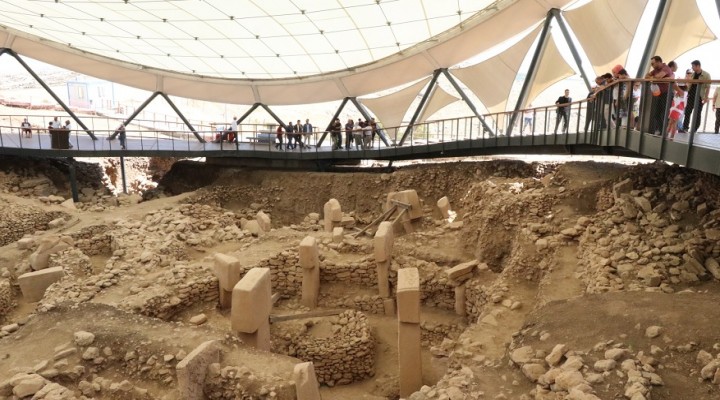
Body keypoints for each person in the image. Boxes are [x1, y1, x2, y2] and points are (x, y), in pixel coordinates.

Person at [645, 56, 674, 135]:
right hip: (660, 94)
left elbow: (659, 76)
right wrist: (654, 77)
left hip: (667, 94)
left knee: (664, 113)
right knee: (657, 114)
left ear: (658, 62)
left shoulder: (666, 68)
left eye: (653, 63)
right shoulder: (655, 70)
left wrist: (654, 78)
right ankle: (662, 131)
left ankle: (665, 132)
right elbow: (646, 76)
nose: (652, 65)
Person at [682, 60, 712, 134]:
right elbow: (689, 84)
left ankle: (694, 129)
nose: (692, 68)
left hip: (699, 96)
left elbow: (708, 87)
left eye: (693, 66)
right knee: (687, 112)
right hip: (691, 95)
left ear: (698, 66)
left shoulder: (706, 75)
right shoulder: (692, 74)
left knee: (697, 113)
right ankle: (685, 128)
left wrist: (706, 97)